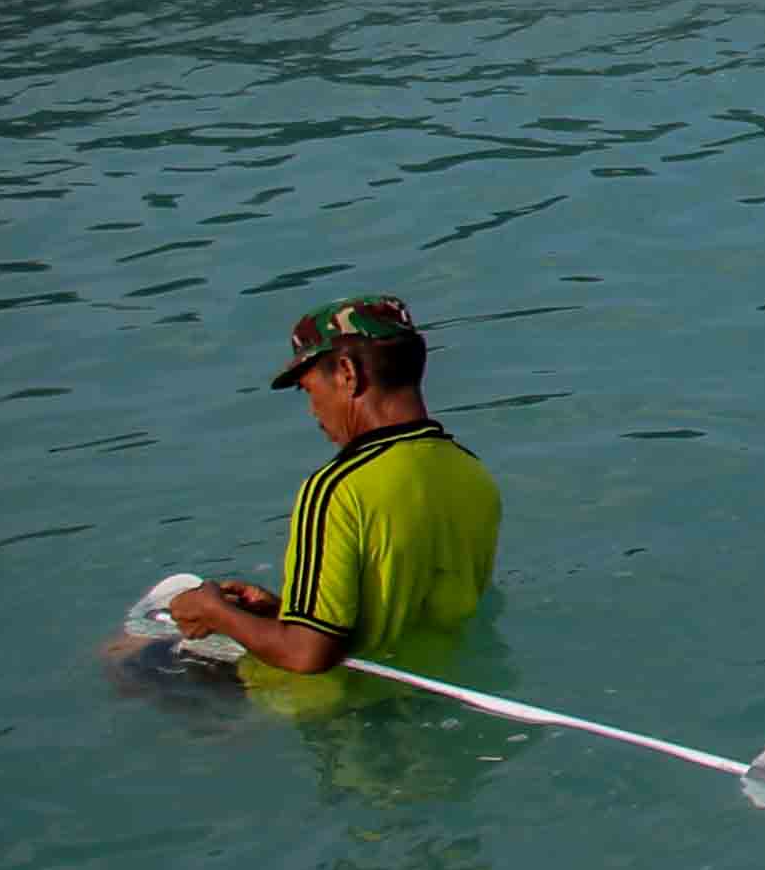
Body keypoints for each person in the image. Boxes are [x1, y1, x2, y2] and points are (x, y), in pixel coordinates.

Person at [131, 296, 500, 698]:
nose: (312, 410)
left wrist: (215, 612)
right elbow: (402, 606)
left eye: (309, 389)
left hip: (330, 702)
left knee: (124, 655)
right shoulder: (473, 473)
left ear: (346, 372)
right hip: (427, 688)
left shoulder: (335, 489)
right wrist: (282, 612)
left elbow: (307, 655)